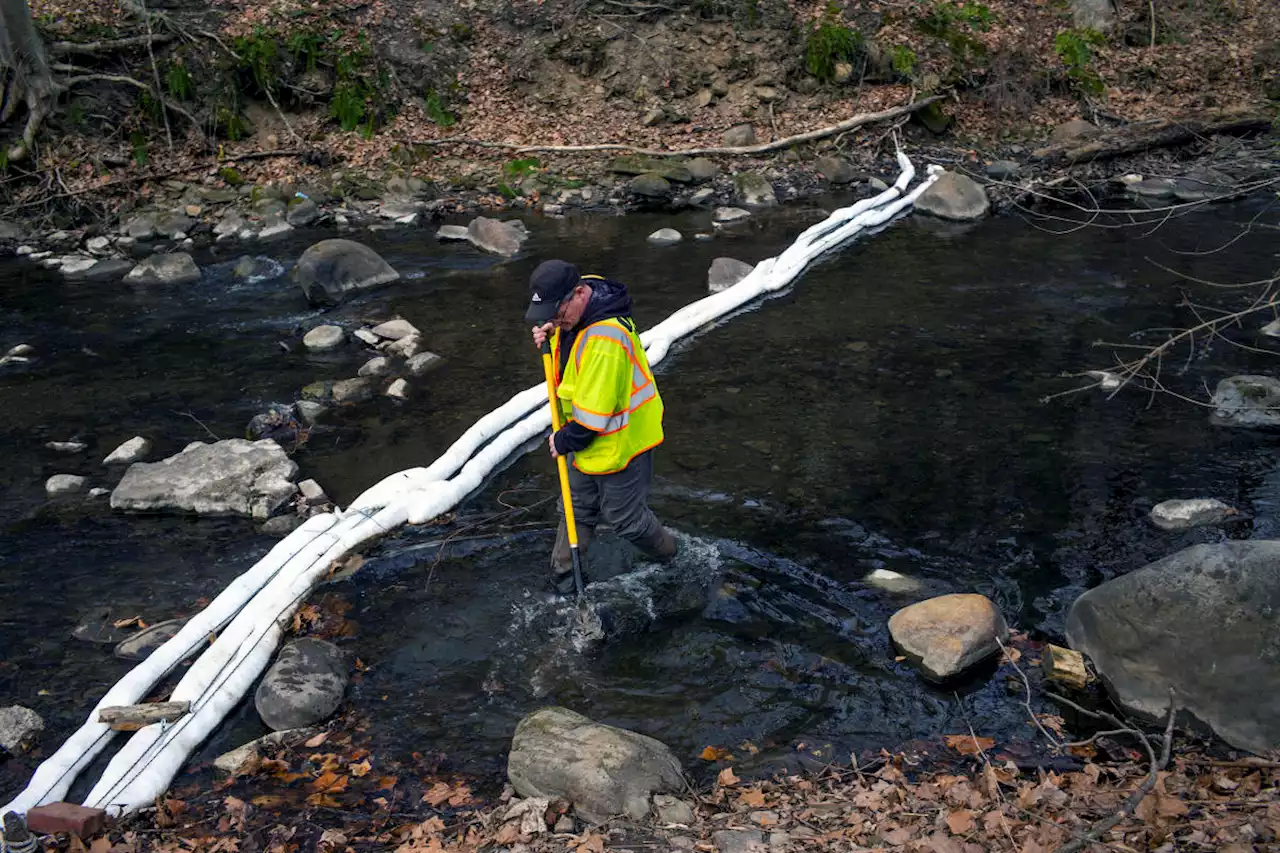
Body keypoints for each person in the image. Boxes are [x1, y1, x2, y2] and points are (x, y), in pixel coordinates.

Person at [525, 259, 677, 593]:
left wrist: (564, 440)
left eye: (557, 312)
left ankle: (674, 558)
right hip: (586, 438)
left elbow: (592, 418)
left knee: (626, 520)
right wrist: (554, 334)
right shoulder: (583, 304)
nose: (554, 319)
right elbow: (572, 352)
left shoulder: (606, 340)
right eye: (547, 314)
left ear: (579, 293)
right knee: (576, 507)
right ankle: (566, 579)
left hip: (622, 442)